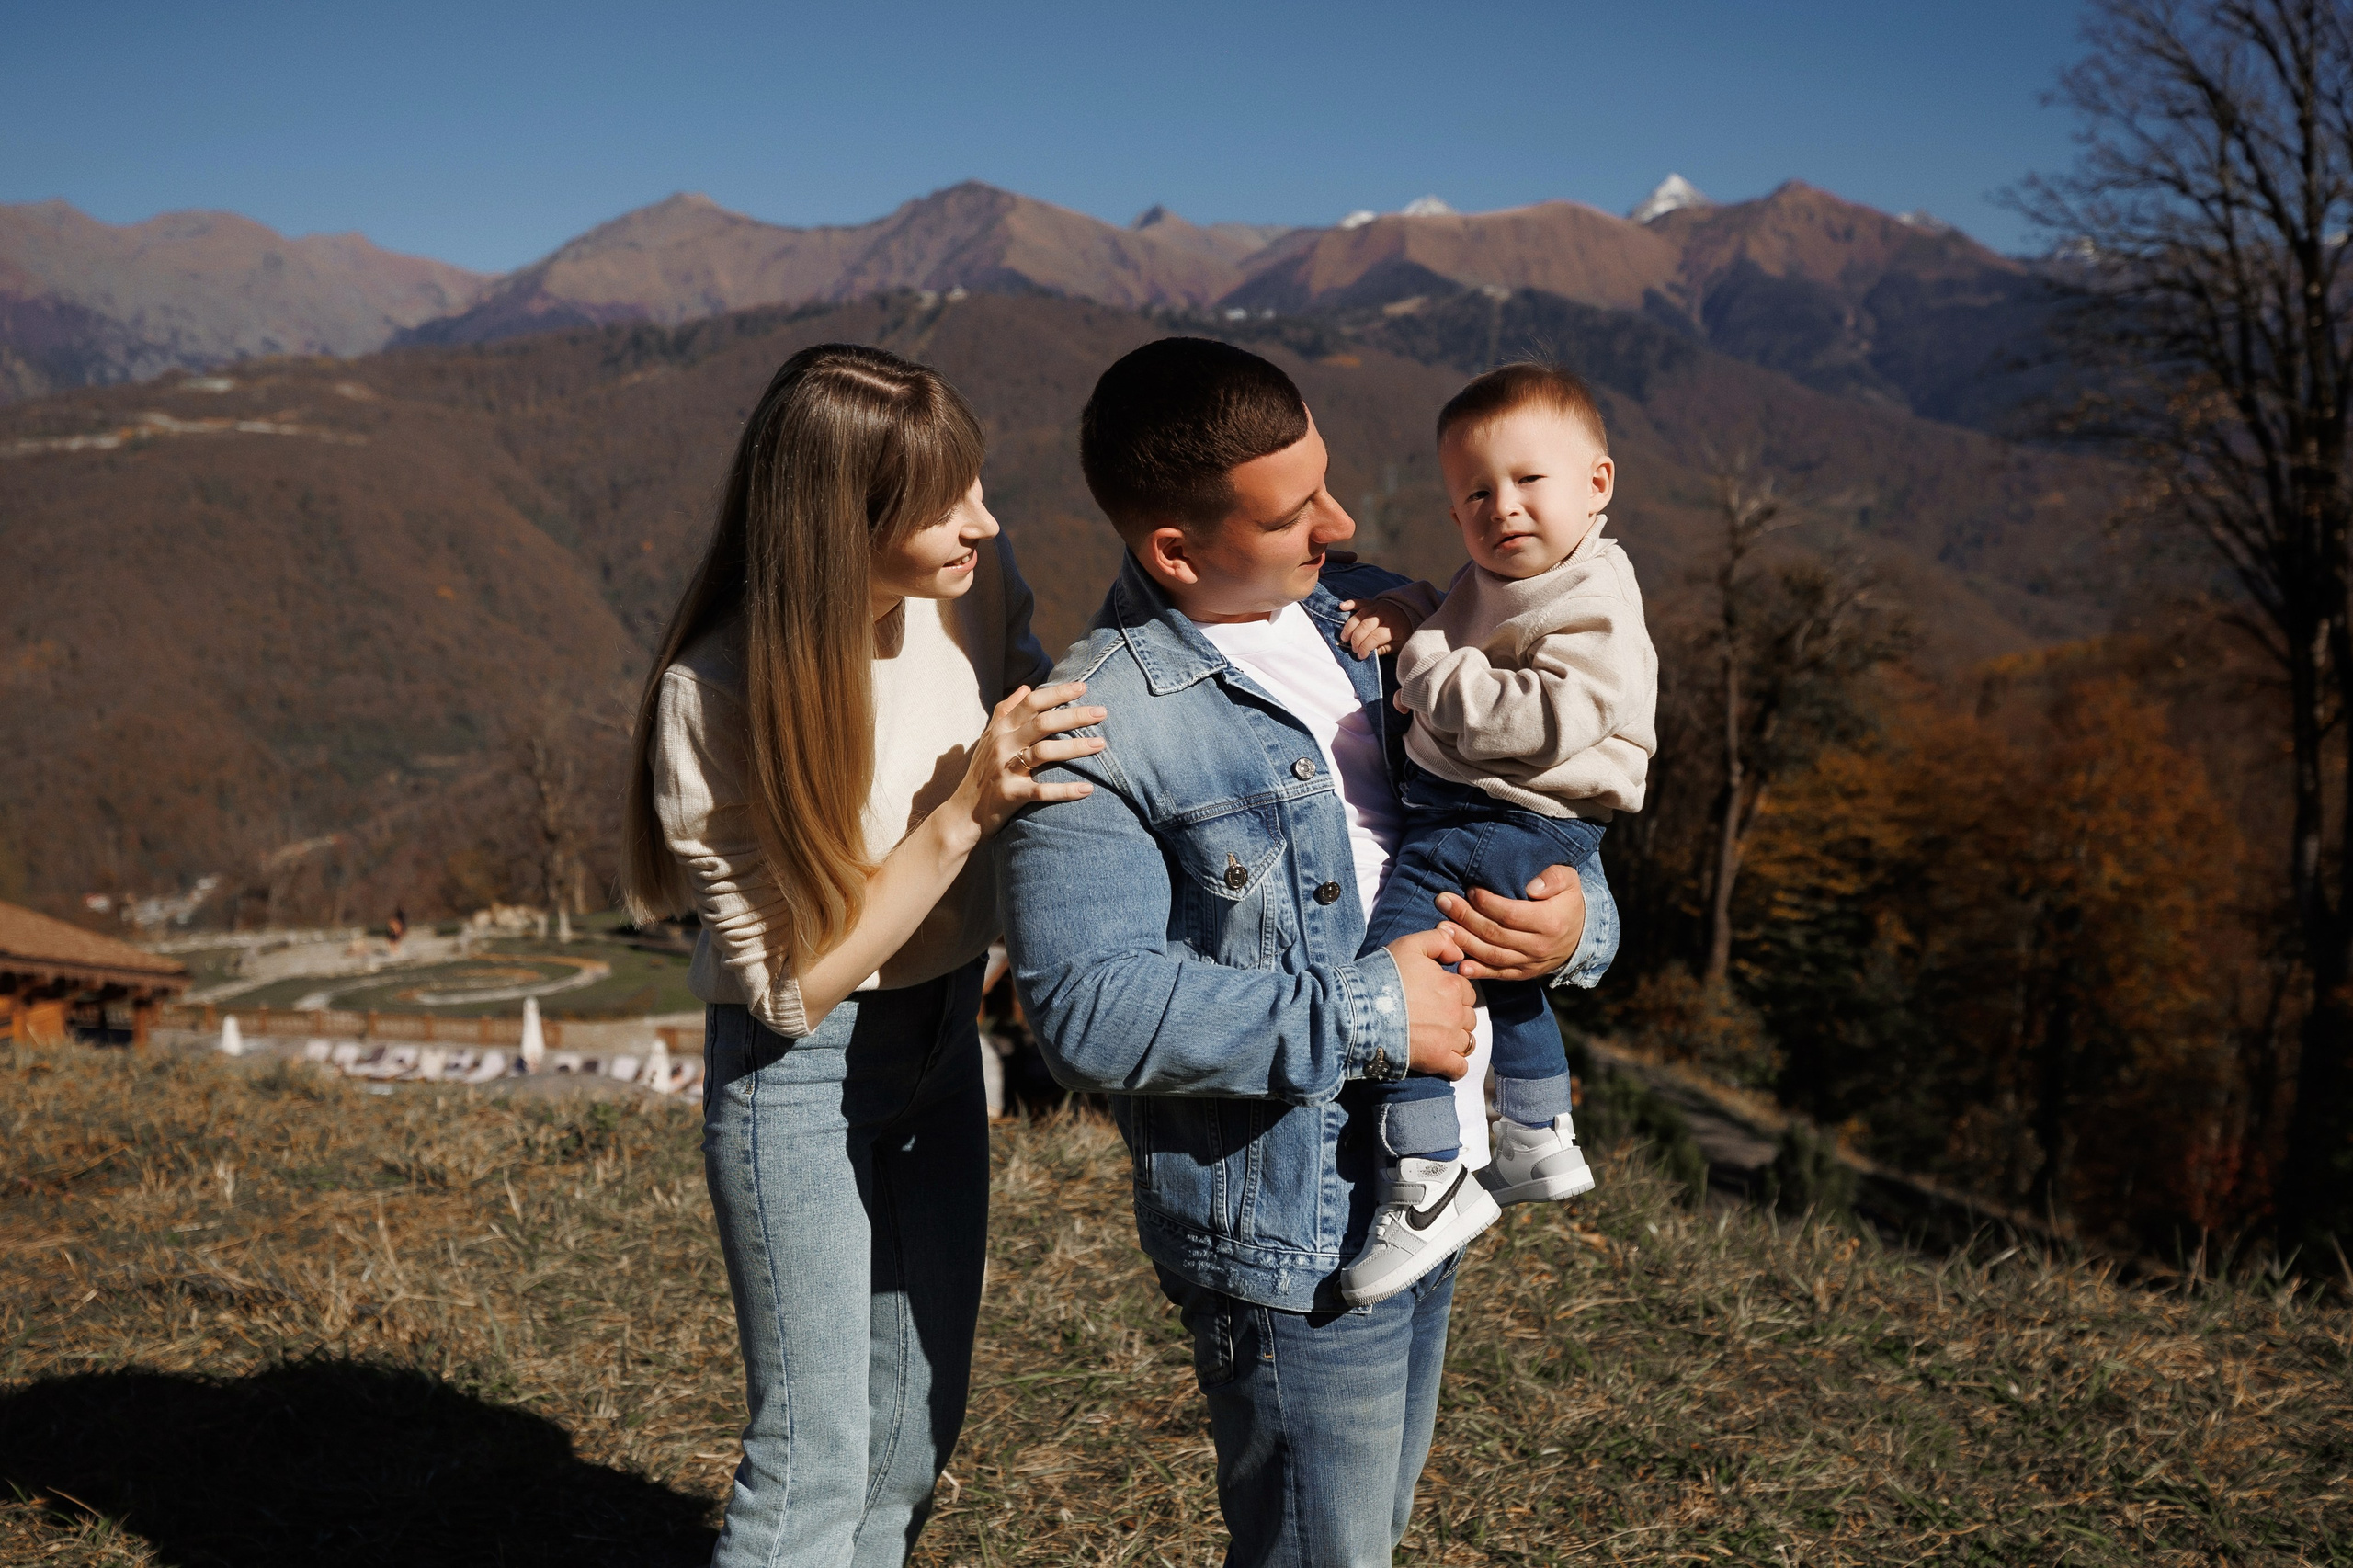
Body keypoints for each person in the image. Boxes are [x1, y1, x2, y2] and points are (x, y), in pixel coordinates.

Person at [997, 337, 1619, 1565]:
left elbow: (1542, 802)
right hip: (1299, 1233)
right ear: (1177, 549)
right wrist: (1374, 1014)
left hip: (1443, 1178)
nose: (1340, 523)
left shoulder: (1382, 617)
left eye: (1326, 481)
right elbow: (1084, 1008)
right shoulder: (1096, 723)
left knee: (1365, 1537)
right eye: (1293, 514)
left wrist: (1574, 926)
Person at [620, 343, 1105, 1567]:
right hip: (799, 1077)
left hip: (943, 1038)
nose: (982, 522)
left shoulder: (972, 588)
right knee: (814, 1464)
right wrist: (960, 816)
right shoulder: (713, 692)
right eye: (943, 505)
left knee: (910, 1439)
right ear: (843, 525)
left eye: (975, 484)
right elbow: (790, 986)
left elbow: (1054, 725)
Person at [1332, 362, 1658, 1306]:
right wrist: (1415, 610)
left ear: (1596, 483)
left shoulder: (1594, 598)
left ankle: (1427, 1178)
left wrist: (1423, 664)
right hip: (1499, 818)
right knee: (1496, 966)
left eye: (1528, 480)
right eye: (1476, 493)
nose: (1502, 507)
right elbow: (1464, 616)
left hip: (1495, 818)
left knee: (1405, 977)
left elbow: (1540, 719)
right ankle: (1536, 1133)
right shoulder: (1522, 574)